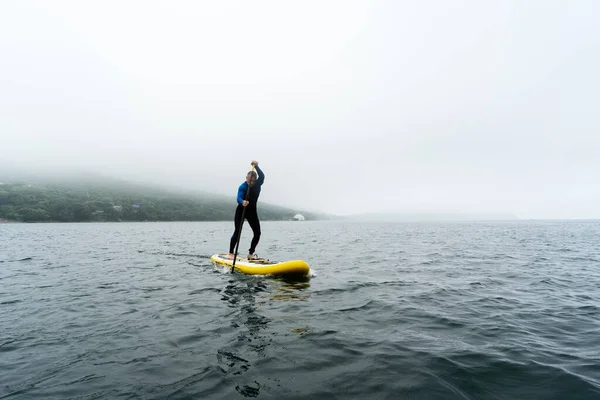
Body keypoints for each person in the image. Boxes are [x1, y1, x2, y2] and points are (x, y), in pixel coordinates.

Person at [228, 160, 264, 260]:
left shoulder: (258, 184)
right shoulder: (243, 186)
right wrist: (242, 201)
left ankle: (250, 253)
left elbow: (262, 176)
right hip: (241, 210)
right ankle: (231, 253)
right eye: (250, 180)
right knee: (237, 231)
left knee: (257, 233)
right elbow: (238, 197)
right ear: (246, 178)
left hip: (252, 211)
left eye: (253, 181)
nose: (251, 182)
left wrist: (256, 166)